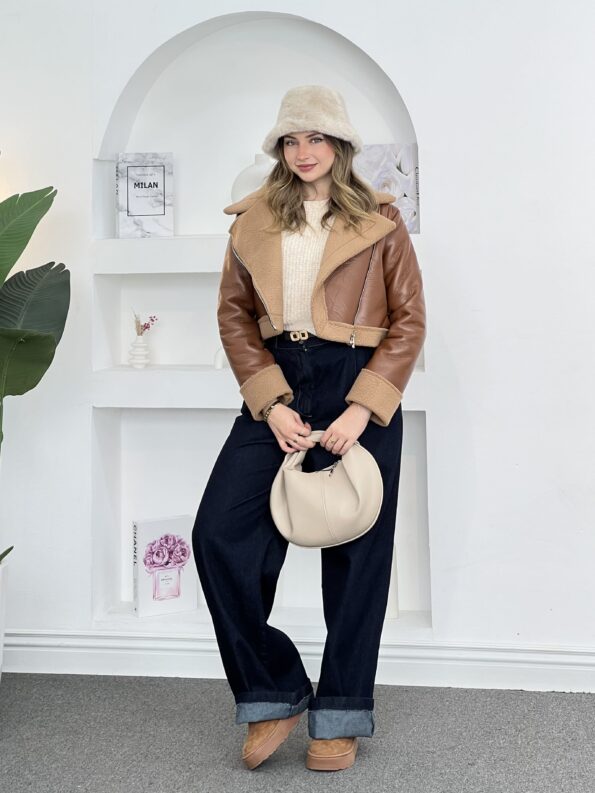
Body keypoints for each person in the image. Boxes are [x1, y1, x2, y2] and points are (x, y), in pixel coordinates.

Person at [192, 84, 426, 772]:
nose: (303, 152)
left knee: (356, 555)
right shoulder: (252, 222)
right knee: (219, 535)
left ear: (339, 145)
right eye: (291, 141)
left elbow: (408, 321)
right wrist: (270, 403)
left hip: (357, 377)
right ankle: (273, 692)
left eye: (316, 138)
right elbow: (235, 318)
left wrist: (362, 407)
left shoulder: (381, 220)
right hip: (280, 380)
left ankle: (341, 714)